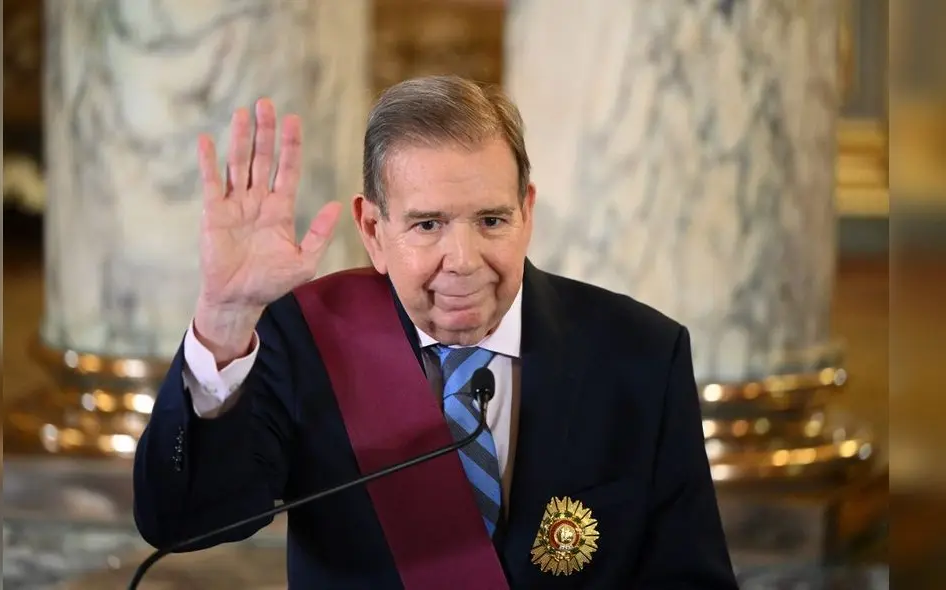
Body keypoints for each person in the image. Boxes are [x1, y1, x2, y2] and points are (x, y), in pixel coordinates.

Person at [133, 75, 739, 589]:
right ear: (372, 230)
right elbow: (186, 522)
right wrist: (223, 321)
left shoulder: (640, 354)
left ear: (527, 212)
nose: (464, 259)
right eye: (427, 225)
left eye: (492, 220)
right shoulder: (306, 338)